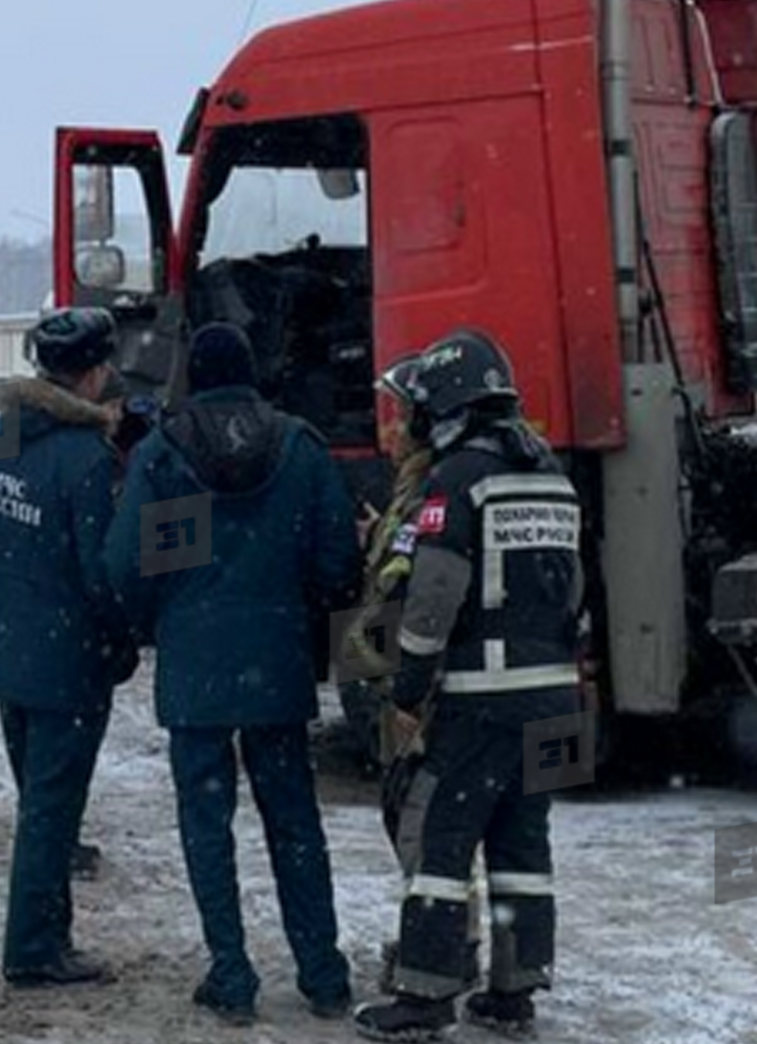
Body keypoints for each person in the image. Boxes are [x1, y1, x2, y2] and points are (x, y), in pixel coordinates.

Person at [105, 322, 360, 1025]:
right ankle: (324, 972)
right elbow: (339, 564)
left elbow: (127, 563)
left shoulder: (164, 452)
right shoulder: (300, 446)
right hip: (276, 666)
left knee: (206, 822)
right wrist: (298, 605)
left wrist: (160, 616)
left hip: (195, 670)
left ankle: (232, 972)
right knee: (295, 822)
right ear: (252, 374)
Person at [352, 329, 585, 1043]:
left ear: (444, 408)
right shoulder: (550, 473)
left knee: (442, 843)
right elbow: (572, 587)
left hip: (481, 698)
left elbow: (433, 595)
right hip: (554, 697)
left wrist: (409, 681)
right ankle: (513, 991)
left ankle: (425, 995)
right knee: (524, 844)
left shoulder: (457, 480)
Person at [0, 308, 139, 988]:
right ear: (92, 375)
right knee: (50, 814)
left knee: (39, 803)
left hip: (6, 652)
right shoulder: (89, 457)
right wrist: (121, 642)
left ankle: (47, 936)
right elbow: (103, 572)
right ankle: (35, 948)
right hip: (67, 662)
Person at [338, 357, 485, 996]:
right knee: (417, 821)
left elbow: (409, 589)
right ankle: (457, 943)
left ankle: (441, 952)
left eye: (402, 418)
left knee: (421, 823)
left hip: (414, 691)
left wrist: (397, 690)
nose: (390, 430)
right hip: (402, 682)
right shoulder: (418, 487)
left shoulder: (434, 490)